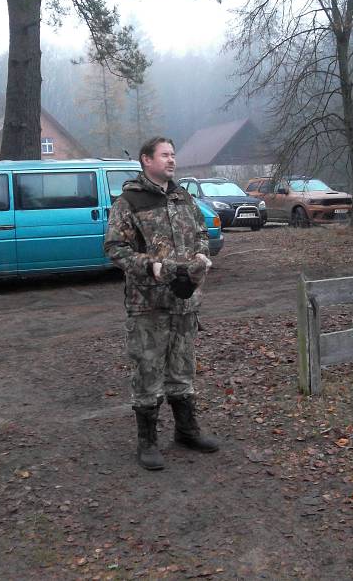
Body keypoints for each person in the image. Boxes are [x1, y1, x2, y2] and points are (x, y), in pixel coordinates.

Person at [104, 137, 219, 470]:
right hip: (147, 302)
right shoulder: (129, 201)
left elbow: (201, 233)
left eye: (173, 155)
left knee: (182, 368)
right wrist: (150, 265)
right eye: (165, 155)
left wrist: (201, 256)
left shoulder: (183, 197)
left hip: (185, 299)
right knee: (148, 370)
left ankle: (186, 431)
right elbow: (114, 248)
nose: (172, 160)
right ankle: (148, 441)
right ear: (146, 160)